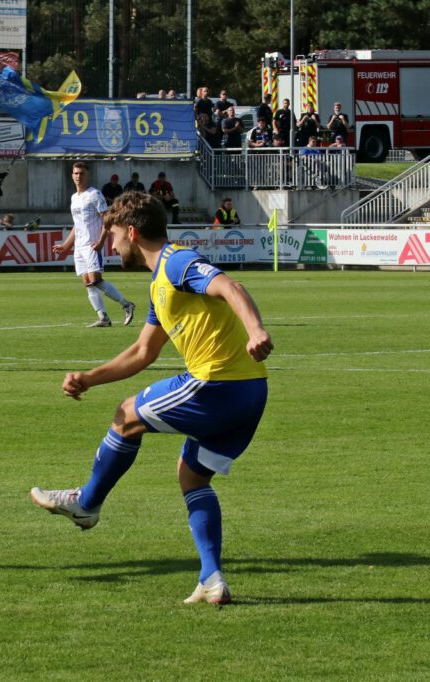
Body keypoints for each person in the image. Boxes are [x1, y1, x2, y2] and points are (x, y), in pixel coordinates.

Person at [30, 191, 273, 606]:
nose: (110, 247)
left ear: (132, 231)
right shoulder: (161, 281)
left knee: (127, 415)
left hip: (217, 383)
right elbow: (143, 352)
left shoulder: (177, 262)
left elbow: (230, 285)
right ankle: (212, 579)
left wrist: (255, 330)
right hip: (250, 392)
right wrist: (90, 378)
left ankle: (86, 503)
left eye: (112, 237)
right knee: (192, 476)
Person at [52, 162, 135, 328]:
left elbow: (107, 220)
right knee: (87, 283)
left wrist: (101, 240)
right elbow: (77, 225)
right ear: (72, 175)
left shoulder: (95, 194)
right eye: (75, 173)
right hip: (79, 247)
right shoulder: (74, 198)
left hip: (92, 244)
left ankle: (127, 304)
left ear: (87, 175)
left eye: (81, 173)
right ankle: (103, 317)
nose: (78, 176)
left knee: (96, 280)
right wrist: (66, 245)